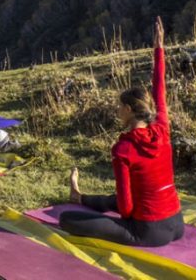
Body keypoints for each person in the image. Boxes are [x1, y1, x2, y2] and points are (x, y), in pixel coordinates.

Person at [62, 17, 183, 247]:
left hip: (149, 232)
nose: (117, 110)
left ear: (128, 110)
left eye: (120, 107)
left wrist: (128, 221)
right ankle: (79, 197)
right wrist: (159, 49)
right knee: (116, 200)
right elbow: (160, 88)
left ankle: (77, 199)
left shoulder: (123, 149)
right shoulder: (162, 128)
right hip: (177, 224)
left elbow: (126, 208)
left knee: (67, 220)